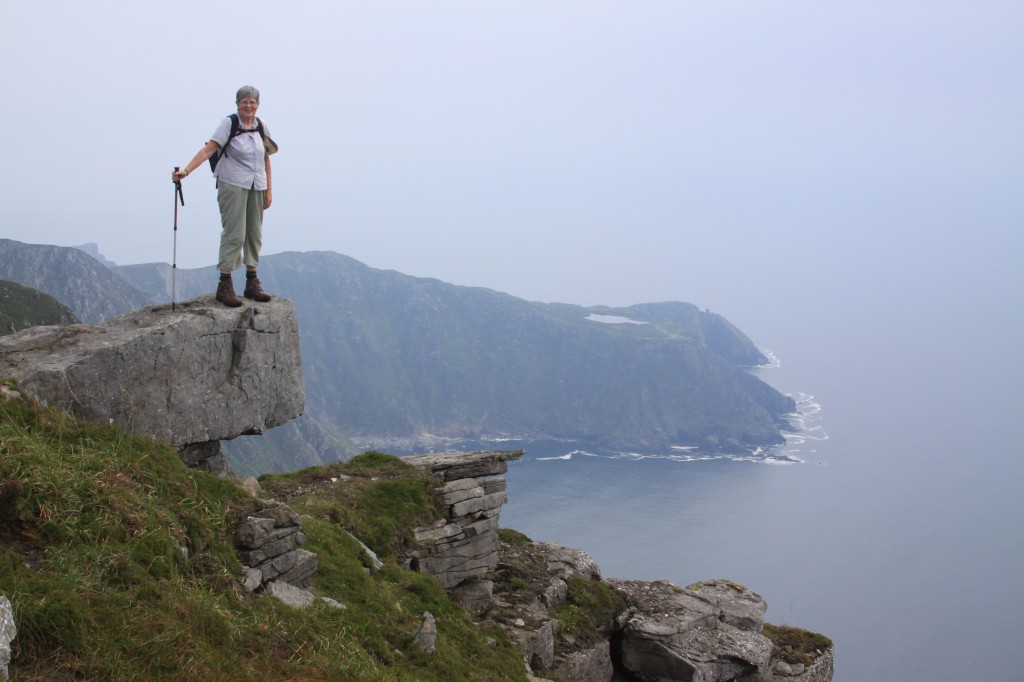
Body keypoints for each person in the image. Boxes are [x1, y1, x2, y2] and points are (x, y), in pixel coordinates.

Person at [171, 85, 275, 307]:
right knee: (234, 233)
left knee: (254, 233)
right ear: (237, 103)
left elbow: (266, 158)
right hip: (233, 183)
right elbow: (208, 150)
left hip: (257, 185)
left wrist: (269, 189)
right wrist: (186, 171)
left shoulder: (261, 126)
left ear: (258, 105)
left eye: (253, 102)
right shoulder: (229, 124)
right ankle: (225, 284)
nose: (249, 105)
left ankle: (251, 282)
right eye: (244, 101)